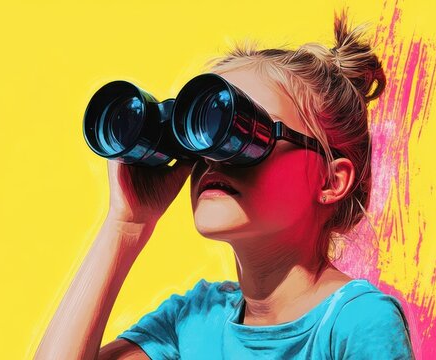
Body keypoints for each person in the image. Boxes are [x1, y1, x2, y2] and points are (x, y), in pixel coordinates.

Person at [35, 10, 414, 360]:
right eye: (198, 134)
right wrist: (126, 224)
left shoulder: (356, 321)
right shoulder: (193, 319)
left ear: (331, 180)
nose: (213, 157)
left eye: (243, 132)